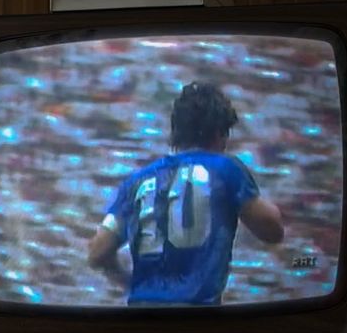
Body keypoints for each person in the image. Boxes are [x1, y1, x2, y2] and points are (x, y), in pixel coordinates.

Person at [86, 82, 284, 305]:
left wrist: (127, 281)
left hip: (141, 319)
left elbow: (97, 252)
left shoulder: (137, 180)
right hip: (197, 321)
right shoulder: (226, 169)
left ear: (176, 131)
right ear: (220, 133)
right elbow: (272, 231)